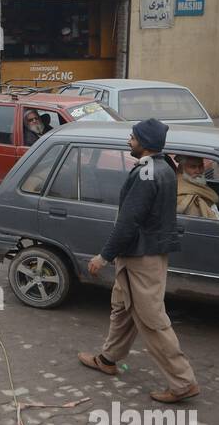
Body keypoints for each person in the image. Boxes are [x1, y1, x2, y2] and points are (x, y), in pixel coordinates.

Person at [78, 118, 199, 404]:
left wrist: (103, 256)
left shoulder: (147, 173)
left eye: (132, 137)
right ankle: (108, 359)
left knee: (152, 320)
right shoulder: (164, 167)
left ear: (144, 143)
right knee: (122, 308)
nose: (128, 140)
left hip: (142, 257)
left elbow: (128, 222)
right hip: (141, 253)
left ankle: (183, 382)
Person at [175, 155, 219, 220]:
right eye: (193, 167)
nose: (198, 171)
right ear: (182, 168)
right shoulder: (184, 194)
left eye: (200, 166)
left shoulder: (195, 184)